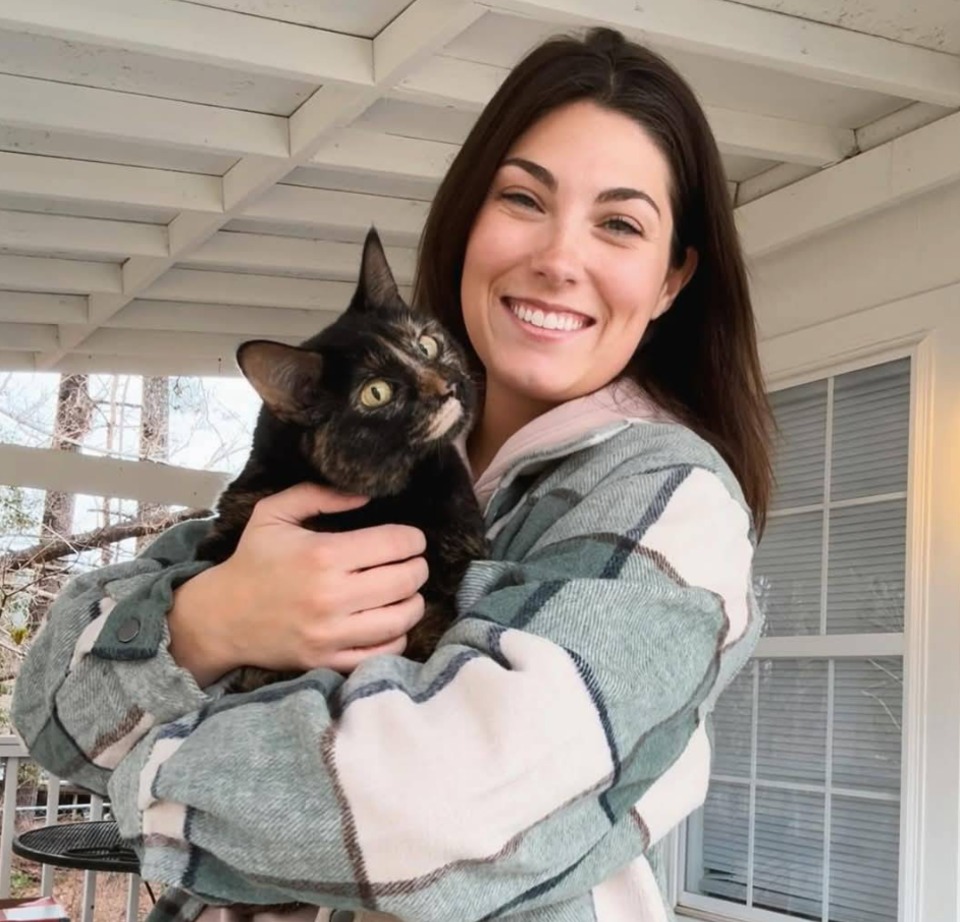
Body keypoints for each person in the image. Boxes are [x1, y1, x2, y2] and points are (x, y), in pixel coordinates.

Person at [13, 26, 773, 922]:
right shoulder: (354, 457)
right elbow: (48, 707)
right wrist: (213, 619)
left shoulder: (667, 497)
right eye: (523, 198)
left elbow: (426, 821)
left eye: (619, 223)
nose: (559, 259)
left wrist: (140, 769)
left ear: (672, 278)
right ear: (465, 222)